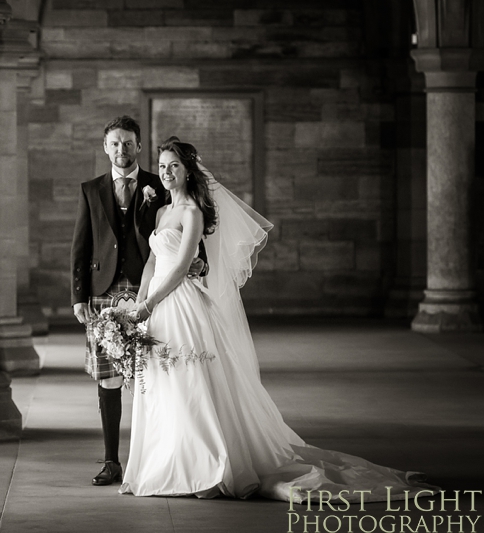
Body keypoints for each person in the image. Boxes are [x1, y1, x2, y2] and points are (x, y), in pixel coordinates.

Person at [119, 137, 436, 502]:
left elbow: (179, 270)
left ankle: (205, 467)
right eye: (161, 166)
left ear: (188, 170)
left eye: (173, 165)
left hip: (182, 305)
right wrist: (139, 304)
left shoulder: (192, 212)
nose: (166, 172)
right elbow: (153, 263)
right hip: (156, 307)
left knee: (191, 385)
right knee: (161, 384)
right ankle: (163, 463)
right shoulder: (161, 213)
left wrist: (150, 303)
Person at [70, 117, 208, 487]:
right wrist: (78, 296)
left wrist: (200, 262)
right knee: (108, 377)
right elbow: (81, 245)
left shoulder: (159, 183)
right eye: (115, 143)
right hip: (102, 292)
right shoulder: (90, 189)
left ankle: (157, 456)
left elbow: (187, 235)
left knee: (158, 374)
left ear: (139, 146)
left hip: (152, 291)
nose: (122, 150)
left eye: (128, 143)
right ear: (105, 147)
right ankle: (112, 462)